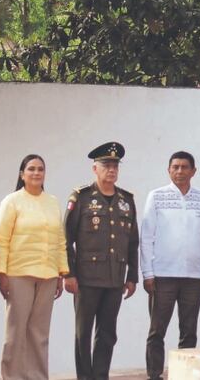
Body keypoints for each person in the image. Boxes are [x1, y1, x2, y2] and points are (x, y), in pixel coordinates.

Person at [141, 151, 200, 380]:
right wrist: (147, 273)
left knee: (189, 332)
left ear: (194, 171)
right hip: (162, 275)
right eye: (175, 167)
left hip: (194, 277)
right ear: (168, 170)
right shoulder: (156, 196)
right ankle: (154, 374)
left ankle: (185, 375)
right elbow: (146, 237)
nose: (180, 171)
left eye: (185, 167)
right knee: (157, 331)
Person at [64, 142, 139, 380]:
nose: (112, 169)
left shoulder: (126, 200)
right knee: (83, 333)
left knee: (107, 333)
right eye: (106, 165)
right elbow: (66, 238)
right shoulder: (82, 197)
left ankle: (100, 376)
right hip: (86, 278)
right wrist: (69, 273)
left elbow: (132, 242)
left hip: (115, 277)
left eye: (115, 165)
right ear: (94, 168)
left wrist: (132, 277)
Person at [0, 155, 68, 380]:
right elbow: (2, 239)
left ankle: (37, 376)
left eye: (40, 169)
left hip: (47, 274)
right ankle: (11, 376)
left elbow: (60, 240)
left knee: (39, 333)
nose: (36, 173)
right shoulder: (12, 201)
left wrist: (61, 273)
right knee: (16, 332)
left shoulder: (52, 201)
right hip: (19, 273)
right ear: (22, 174)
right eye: (31, 169)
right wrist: (2, 273)